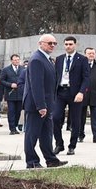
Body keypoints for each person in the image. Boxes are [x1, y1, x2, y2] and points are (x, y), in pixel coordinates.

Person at [22, 35, 64, 169]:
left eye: (54, 43)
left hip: (47, 104)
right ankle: (32, 161)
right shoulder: (36, 60)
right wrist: (41, 105)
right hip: (37, 105)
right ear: (40, 44)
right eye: (49, 43)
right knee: (32, 135)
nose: (52, 45)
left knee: (46, 134)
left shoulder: (47, 59)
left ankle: (51, 159)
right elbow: (36, 85)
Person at [52, 37, 88, 153]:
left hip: (75, 93)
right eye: (66, 44)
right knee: (56, 117)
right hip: (61, 91)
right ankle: (59, 143)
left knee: (75, 120)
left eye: (70, 44)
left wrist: (81, 92)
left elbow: (86, 78)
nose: (68, 46)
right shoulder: (59, 59)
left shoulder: (82, 59)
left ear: (75, 45)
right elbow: (55, 75)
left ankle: (72, 145)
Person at [3, 52, 25, 136]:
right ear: (11, 61)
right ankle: (12, 128)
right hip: (10, 94)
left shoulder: (23, 69)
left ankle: (15, 125)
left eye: (18, 60)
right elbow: (1, 80)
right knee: (11, 111)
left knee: (18, 111)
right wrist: (10, 84)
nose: (16, 61)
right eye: (15, 60)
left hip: (20, 94)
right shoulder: (6, 70)